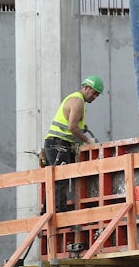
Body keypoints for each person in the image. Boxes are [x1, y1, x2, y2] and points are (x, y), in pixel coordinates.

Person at [43, 75, 102, 211]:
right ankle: (57, 211)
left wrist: (82, 129)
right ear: (86, 88)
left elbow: (71, 124)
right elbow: (72, 127)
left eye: (97, 95)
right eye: (94, 93)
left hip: (59, 145)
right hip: (57, 145)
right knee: (61, 178)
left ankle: (48, 210)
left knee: (58, 178)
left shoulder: (76, 100)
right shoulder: (77, 101)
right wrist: (87, 140)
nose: (95, 97)